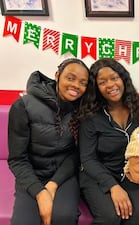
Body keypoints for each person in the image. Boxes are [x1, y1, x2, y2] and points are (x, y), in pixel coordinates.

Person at [7, 58, 90, 225]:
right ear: (57, 75)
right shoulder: (23, 105)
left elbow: (76, 154)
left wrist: (53, 185)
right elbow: (17, 159)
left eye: (83, 82)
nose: (76, 86)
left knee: (63, 217)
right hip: (31, 173)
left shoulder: (83, 110)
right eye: (70, 78)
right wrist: (40, 192)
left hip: (64, 174)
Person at [78, 58, 139, 225]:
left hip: (129, 173)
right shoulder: (90, 115)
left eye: (114, 78)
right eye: (102, 82)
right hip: (96, 174)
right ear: (96, 87)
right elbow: (88, 159)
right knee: (110, 216)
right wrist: (113, 186)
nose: (110, 85)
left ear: (123, 78)